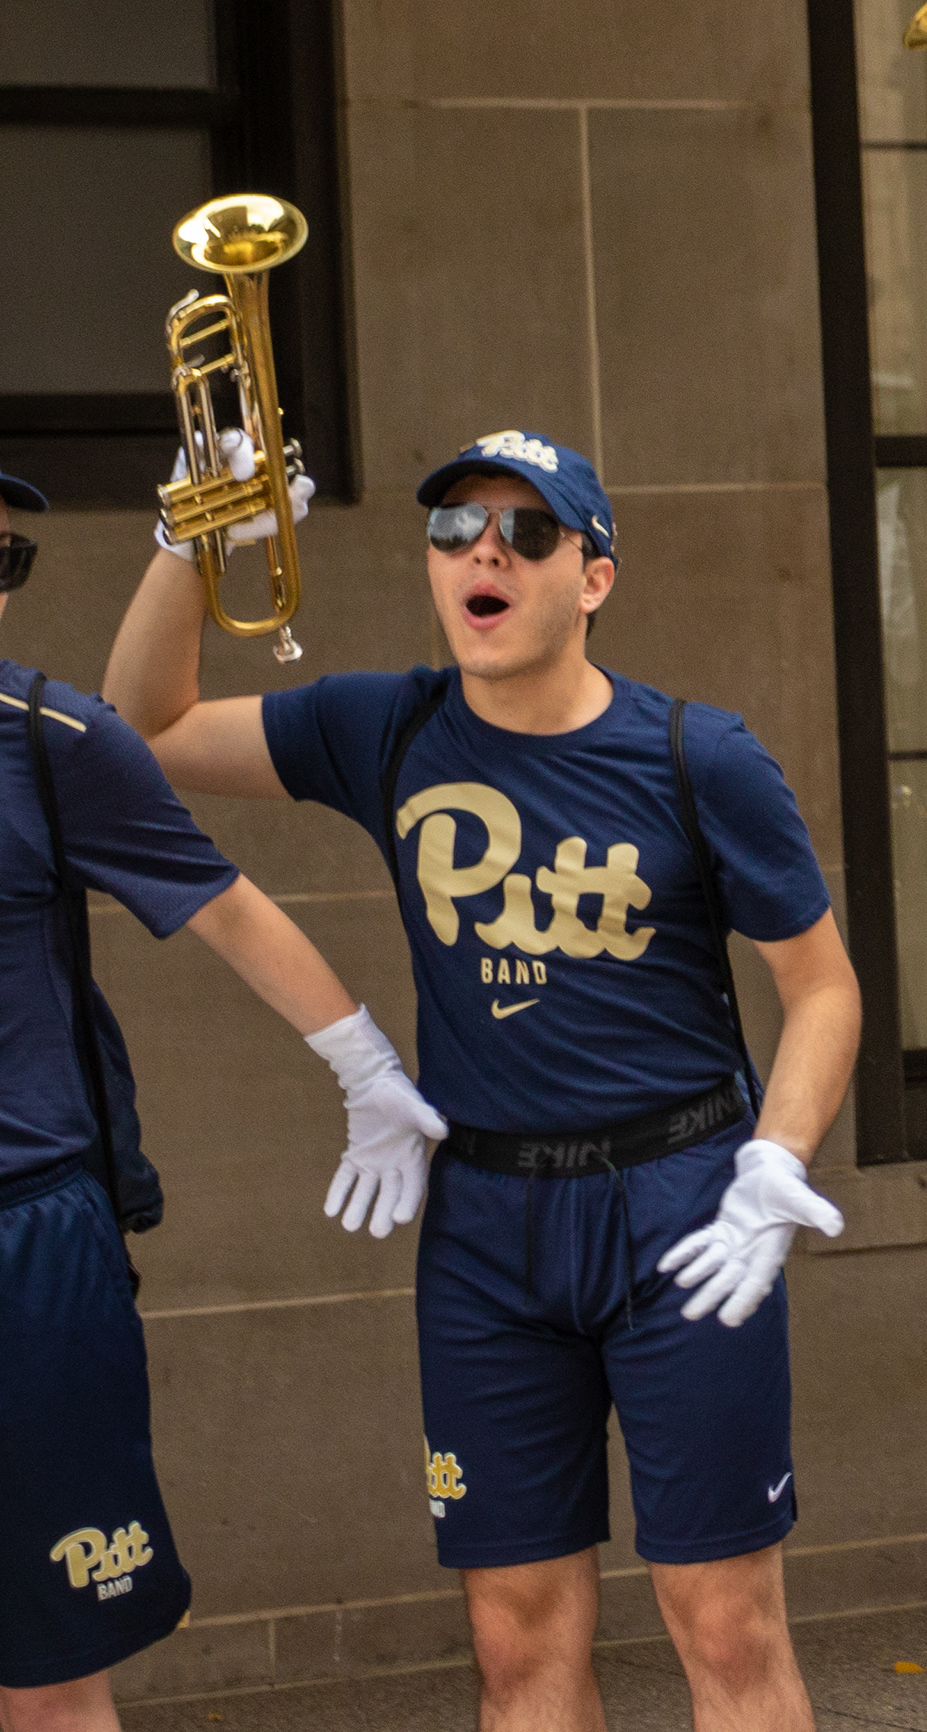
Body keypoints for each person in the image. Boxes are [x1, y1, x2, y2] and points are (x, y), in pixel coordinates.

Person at [106, 432, 859, 1732]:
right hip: (488, 1234)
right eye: (455, 530)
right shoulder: (384, 725)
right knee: (515, 1645)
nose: (484, 552)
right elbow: (145, 729)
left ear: (595, 575)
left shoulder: (699, 755)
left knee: (723, 1624)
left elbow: (824, 988)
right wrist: (188, 542)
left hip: (682, 1212)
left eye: (525, 530)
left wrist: (775, 1164)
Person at [2, 467, 442, 1732]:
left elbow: (228, 905)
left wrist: (365, 1068)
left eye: (4, 567)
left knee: (51, 1674)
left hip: (29, 1245)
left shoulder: (49, 739)